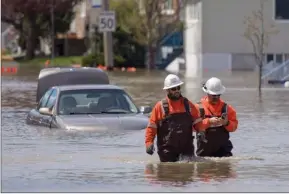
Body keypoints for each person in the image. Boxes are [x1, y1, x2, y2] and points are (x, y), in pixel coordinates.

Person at [145, 74, 206, 162]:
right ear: (167, 90)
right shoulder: (160, 107)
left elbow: (198, 120)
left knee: (188, 173)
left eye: (178, 88)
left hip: (186, 149)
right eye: (174, 89)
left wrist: (201, 131)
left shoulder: (188, 104)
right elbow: (151, 127)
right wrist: (149, 143)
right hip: (167, 151)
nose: (177, 91)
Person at [195, 77, 238, 157]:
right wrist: (208, 122)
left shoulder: (227, 108)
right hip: (204, 153)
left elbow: (234, 127)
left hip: (224, 153)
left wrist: (226, 123)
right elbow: (193, 127)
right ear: (207, 93)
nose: (216, 97)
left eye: (218, 95)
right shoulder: (198, 107)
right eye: (213, 95)